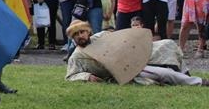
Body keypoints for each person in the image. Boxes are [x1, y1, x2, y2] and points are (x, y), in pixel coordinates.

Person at [64, 20, 208, 86]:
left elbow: (122, 41)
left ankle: (185, 74)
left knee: (168, 44)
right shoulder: (76, 56)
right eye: (76, 34)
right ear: (72, 38)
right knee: (165, 74)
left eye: (82, 32)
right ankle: (199, 82)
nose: (80, 36)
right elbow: (70, 76)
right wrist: (87, 76)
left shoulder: (100, 36)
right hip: (127, 70)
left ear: (88, 31)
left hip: (132, 56)